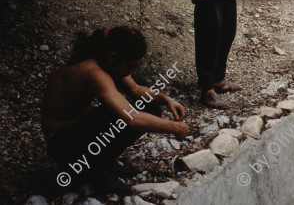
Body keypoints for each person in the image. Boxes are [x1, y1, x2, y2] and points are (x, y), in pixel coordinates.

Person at [42, 27, 189, 194]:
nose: (133, 71)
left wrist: (166, 99)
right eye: (131, 66)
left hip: (79, 132)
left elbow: (136, 89)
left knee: (150, 106)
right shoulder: (93, 72)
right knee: (113, 115)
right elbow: (132, 118)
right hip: (61, 144)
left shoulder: (108, 62)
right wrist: (175, 128)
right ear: (113, 56)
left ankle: (103, 162)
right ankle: (100, 175)